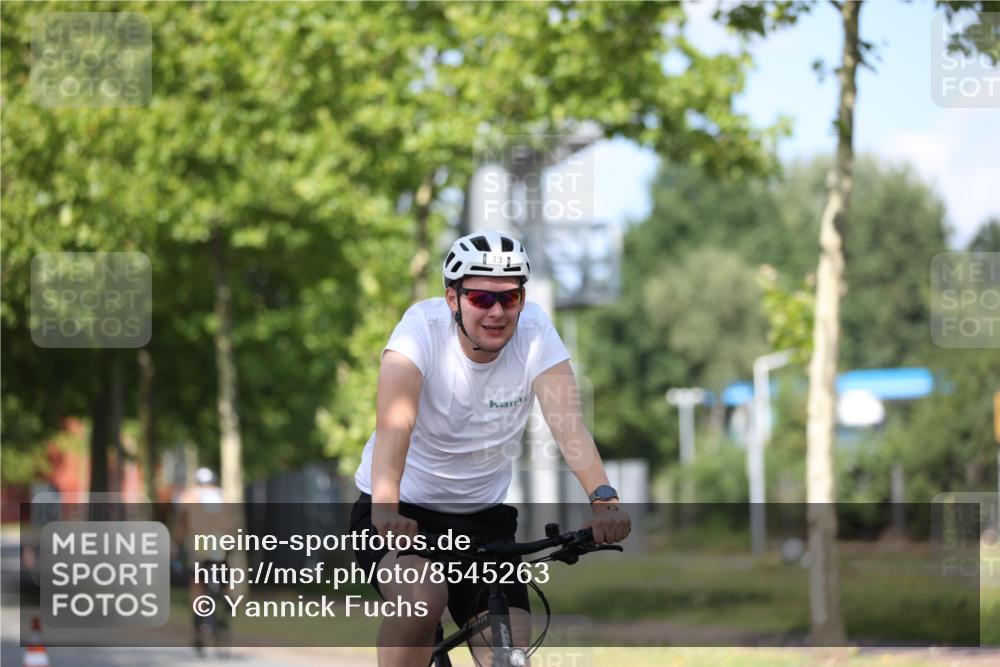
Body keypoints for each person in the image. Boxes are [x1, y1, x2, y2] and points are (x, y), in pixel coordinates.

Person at [351, 230, 631, 666]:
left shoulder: (536, 332)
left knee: (508, 646)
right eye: (482, 299)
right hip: (402, 511)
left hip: (483, 521)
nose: (498, 312)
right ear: (452, 299)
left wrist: (604, 498)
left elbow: (568, 426)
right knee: (422, 601)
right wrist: (386, 507)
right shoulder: (418, 332)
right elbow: (394, 425)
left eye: (511, 299)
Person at [175, 467, 230, 654]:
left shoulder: (190, 497)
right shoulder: (223, 496)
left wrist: (176, 545)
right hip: (220, 548)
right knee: (223, 579)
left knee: (197, 587)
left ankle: (199, 630)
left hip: (198, 549)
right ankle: (223, 606)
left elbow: (181, 525)